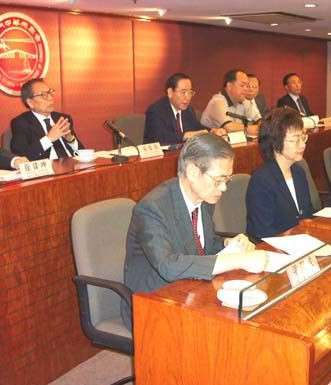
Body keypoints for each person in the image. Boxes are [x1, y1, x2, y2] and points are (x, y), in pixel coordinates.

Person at [122, 133, 268, 328]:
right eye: (218, 179)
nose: (224, 187)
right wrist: (238, 260)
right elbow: (169, 266)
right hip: (154, 304)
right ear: (192, 171)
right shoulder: (152, 208)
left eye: (227, 179)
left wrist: (227, 244)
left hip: (192, 291)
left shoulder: (204, 198)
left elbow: (202, 245)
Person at [246, 108, 313, 239]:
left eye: (303, 137)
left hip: (301, 241)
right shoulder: (262, 180)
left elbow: (307, 214)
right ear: (275, 143)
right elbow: (262, 231)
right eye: (295, 140)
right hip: (273, 246)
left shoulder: (298, 172)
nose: (303, 145)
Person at [10, 78, 83, 161]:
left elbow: (82, 153)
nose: (50, 98)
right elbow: (21, 157)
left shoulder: (63, 118)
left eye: (50, 92)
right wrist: (49, 139)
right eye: (43, 95)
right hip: (46, 168)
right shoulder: (21, 123)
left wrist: (70, 139)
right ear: (30, 102)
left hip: (72, 165)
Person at [143, 72, 225, 144]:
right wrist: (186, 135)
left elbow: (197, 127)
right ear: (170, 92)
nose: (188, 97)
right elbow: (161, 138)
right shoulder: (156, 111)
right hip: (159, 156)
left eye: (190, 92)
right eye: (183, 92)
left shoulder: (188, 110)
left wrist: (212, 131)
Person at [200, 69, 261, 136]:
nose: (246, 89)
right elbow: (230, 128)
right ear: (229, 86)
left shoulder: (244, 101)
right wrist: (259, 129)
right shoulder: (217, 102)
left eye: (247, 86)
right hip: (209, 141)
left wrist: (262, 126)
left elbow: (258, 120)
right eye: (242, 85)